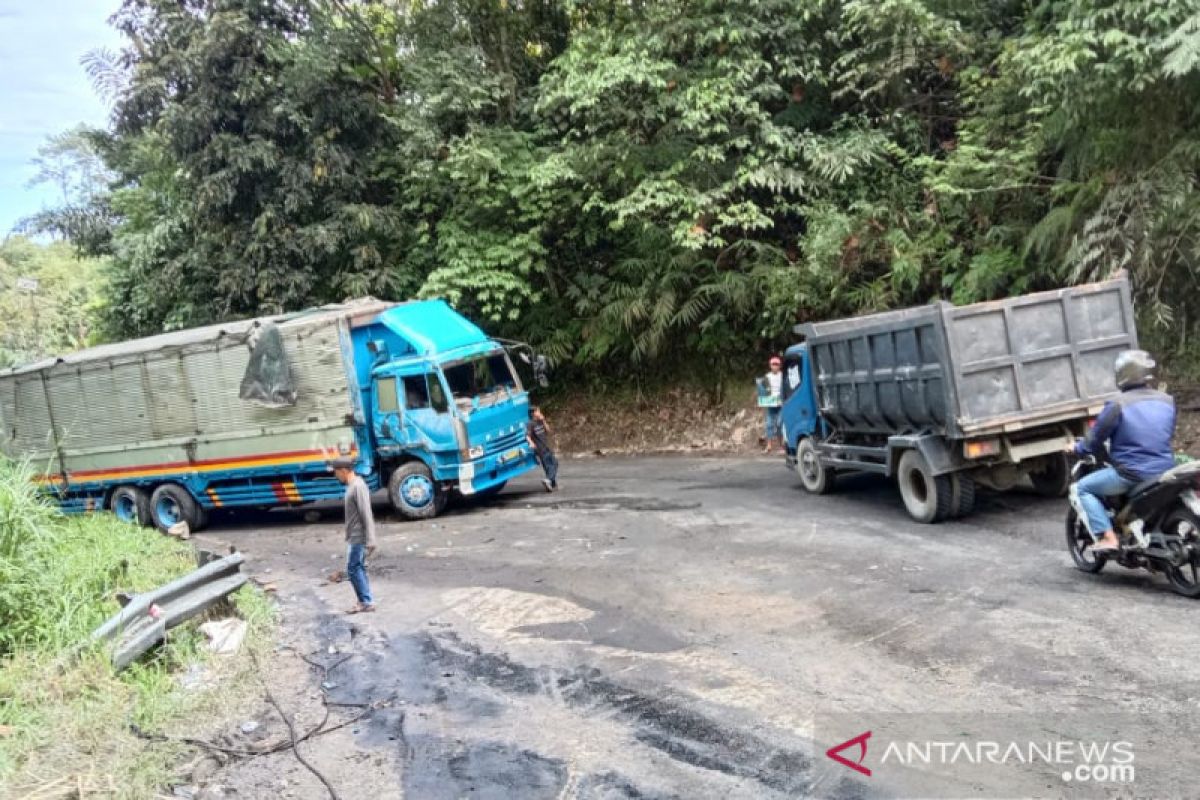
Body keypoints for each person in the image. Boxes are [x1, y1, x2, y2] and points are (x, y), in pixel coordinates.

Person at [1070, 350, 1176, 552]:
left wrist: (1077, 447)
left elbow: (1095, 439)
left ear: (1122, 374)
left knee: (1083, 488)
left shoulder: (1117, 404)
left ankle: (1109, 537)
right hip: (1165, 470)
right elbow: (1166, 433)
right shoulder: (1167, 401)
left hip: (1131, 473)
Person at [331, 457, 377, 613]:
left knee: (353, 569)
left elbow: (366, 513)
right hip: (353, 537)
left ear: (343, 471)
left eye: (337, 473)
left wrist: (371, 539)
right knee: (357, 568)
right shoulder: (352, 486)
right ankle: (364, 600)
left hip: (359, 537)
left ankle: (366, 601)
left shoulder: (358, 486)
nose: (336, 476)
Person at [528, 405, 558, 492]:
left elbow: (548, 431)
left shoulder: (540, 422)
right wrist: (531, 442)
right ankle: (549, 480)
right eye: (538, 411)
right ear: (533, 413)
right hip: (540, 448)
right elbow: (527, 436)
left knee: (551, 465)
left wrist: (543, 420)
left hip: (546, 446)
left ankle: (552, 484)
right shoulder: (530, 424)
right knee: (552, 464)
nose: (540, 413)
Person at [760, 356, 784, 453]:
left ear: (779, 366)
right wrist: (763, 399)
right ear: (770, 366)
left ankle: (782, 447)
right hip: (771, 404)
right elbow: (762, 389)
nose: (775, 366)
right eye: (773, 364)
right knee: (769, 424)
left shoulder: (783, 375)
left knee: (779, 424)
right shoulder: (767, 377)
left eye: (777, 364)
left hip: (781, 404)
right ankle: (769, 446)